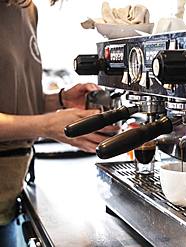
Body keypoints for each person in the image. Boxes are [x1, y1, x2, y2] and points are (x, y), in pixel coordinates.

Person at [0, 0, 118, 245]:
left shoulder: (27, 10)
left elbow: (13, 100)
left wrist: (61, 101)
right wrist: (47, 125)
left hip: (8, 197)